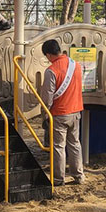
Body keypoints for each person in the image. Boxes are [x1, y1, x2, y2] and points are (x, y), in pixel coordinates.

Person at [38, 39, 84, 186]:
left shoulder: (51, 71)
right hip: (76, 110)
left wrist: (45, 114)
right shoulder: (76, 65)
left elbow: (48, 96)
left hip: (59, 113)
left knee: (58, 146)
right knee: (75, 144)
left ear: (49, 54)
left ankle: (59, 178)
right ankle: (79, 175)